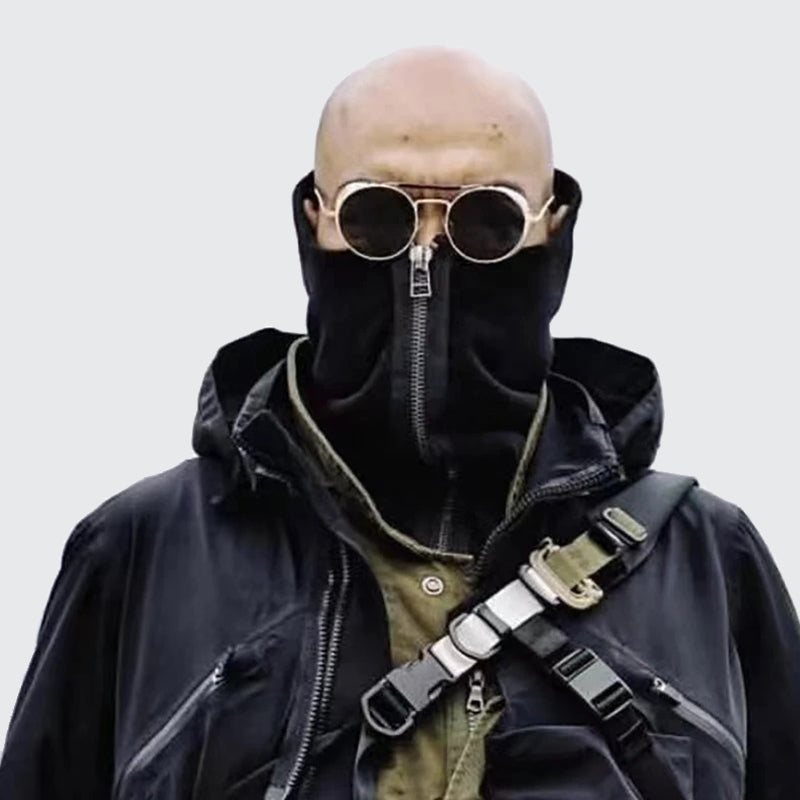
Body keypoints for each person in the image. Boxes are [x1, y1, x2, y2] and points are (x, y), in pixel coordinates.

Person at [1, 46, 798, 800]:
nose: (428, 249)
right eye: (376, 216)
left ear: (553, 227)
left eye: (487, 220)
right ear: (313, 220)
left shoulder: (708, 559)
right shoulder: (141, 549)